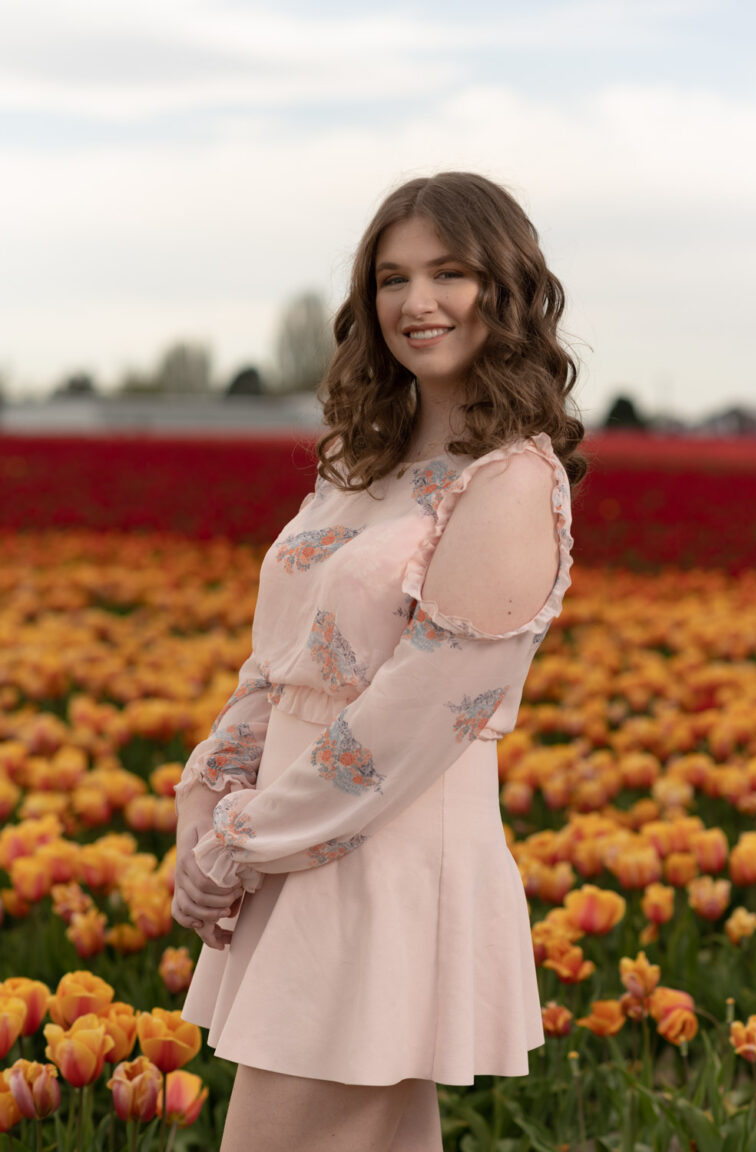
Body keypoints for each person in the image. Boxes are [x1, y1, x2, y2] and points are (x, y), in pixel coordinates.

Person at [172, 171, 586, 1152]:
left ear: (510, 289)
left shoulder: (512, 483)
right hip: (294, 847)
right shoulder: (359, 462)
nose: (417, 302)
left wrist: (241, 840)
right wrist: (208, 794)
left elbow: (414, 721)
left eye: (450, 272)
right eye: (392, 278)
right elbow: (281, 664)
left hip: (388, 866)